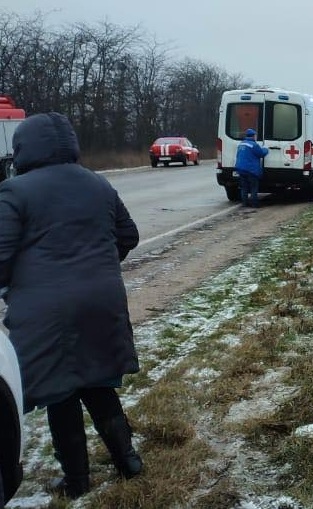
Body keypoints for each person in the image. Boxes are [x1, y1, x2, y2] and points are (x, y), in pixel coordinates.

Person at [0, 113, 144, 499]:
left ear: (24, 148)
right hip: (102, 298)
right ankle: (129, 461)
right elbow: (128, 234)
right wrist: (98, 265)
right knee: (98, 381)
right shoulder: (97, 183)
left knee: (60, 391)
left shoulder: (15, 191)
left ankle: (77, 481)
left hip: (45, 308)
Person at [235, 128, 267, 207]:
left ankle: (244, 203)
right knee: (253, 187)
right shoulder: (254, 145)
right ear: (253, 136)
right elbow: (261, 154)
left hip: (241, 169)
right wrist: (266, 149)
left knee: (244, 187)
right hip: (251, 170)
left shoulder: (241, 144)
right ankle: (254, 204)